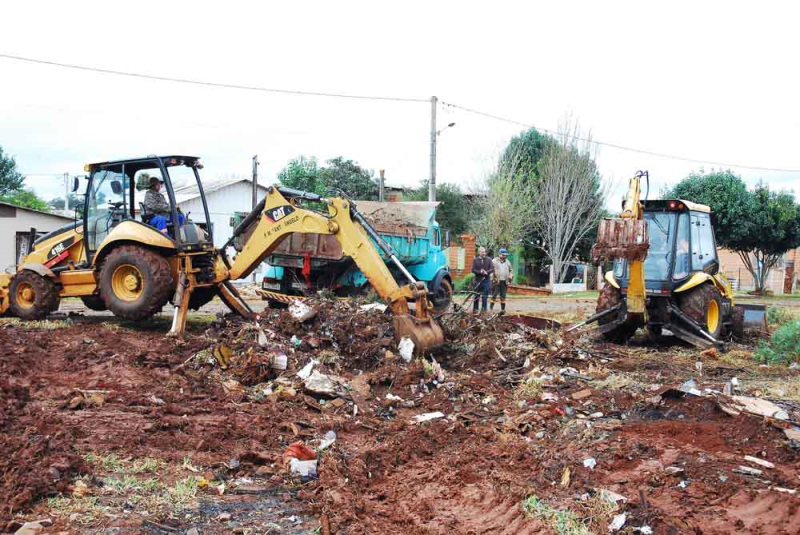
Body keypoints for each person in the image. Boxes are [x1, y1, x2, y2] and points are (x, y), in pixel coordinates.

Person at [471, 246, 493, 313]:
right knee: (476, 296)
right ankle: (475, 310)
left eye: (484, 252)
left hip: (486, 281)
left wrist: (487, 272)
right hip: (477, 281)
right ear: (479, 252)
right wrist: (479, 272)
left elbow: (492, 269)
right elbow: (473, 270)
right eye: (482, 252)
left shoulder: (489, 259)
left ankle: (484, 310)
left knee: (485, 297)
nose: (484, 253)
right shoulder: (475, 260)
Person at [490, 248, 512, 314]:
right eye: (503, 255)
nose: (505, 256)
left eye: (505, 255)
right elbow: (491, 270)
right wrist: (492, 279)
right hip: (496, 281)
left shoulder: (507, 262)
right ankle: (490, 309)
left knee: (503, 296)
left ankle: (503, 310)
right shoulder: (494, 261)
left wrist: (510, 276)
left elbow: (511, 270)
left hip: (505, 281)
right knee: (494, 295)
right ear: (499, 254)